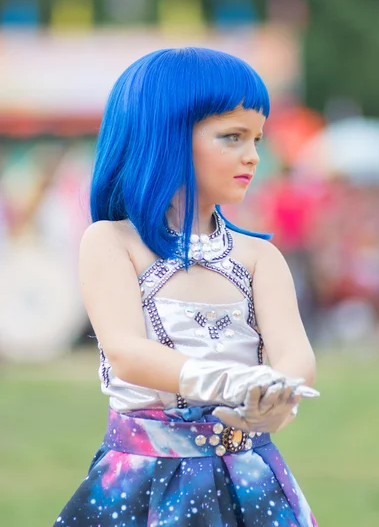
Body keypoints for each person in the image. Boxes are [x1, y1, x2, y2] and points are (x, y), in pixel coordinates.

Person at [53, 47, 320, 527]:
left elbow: (296, 356)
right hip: (142, 478)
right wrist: (226, 381)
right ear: (166, 136)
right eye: (233, 137)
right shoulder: (113, 242)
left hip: (251, 477)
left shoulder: (261, 258)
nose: (253, 156)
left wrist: (276, 400)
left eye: (258, 138)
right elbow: (127, 350)